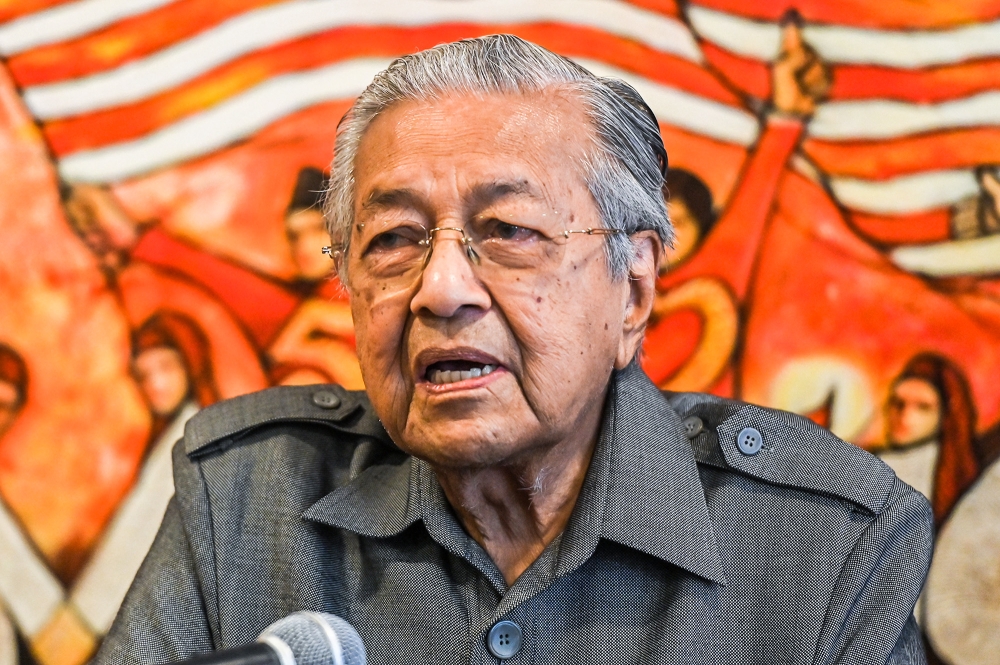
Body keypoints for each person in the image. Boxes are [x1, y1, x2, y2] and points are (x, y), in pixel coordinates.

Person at [97, 35, 932, 665]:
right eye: (392, 239)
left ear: (633, 291)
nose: (440, 289)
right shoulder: (244, 501)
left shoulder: (823, 545)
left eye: (509, 231)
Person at [879, 353, 979, 526]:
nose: (905, 417)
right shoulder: (877, 465)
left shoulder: (960, 472)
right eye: (898, 403)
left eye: (923, 407)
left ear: (946, 415)